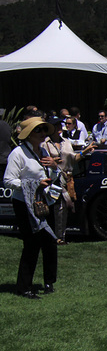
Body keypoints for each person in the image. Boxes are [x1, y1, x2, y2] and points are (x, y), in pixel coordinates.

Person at [3, 117, 60, 298]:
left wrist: (54, 167)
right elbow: (8, 181)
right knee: (32, 244)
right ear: (28, 135)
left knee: (50, 242)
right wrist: (34, 184)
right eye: (39, 130)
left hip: (45, 201)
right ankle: (24, 287)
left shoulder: (43, 151)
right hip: (25, 204)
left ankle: (49, 282)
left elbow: (53, 175)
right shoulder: (18, 153)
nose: (43, 133)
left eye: (44, 129)